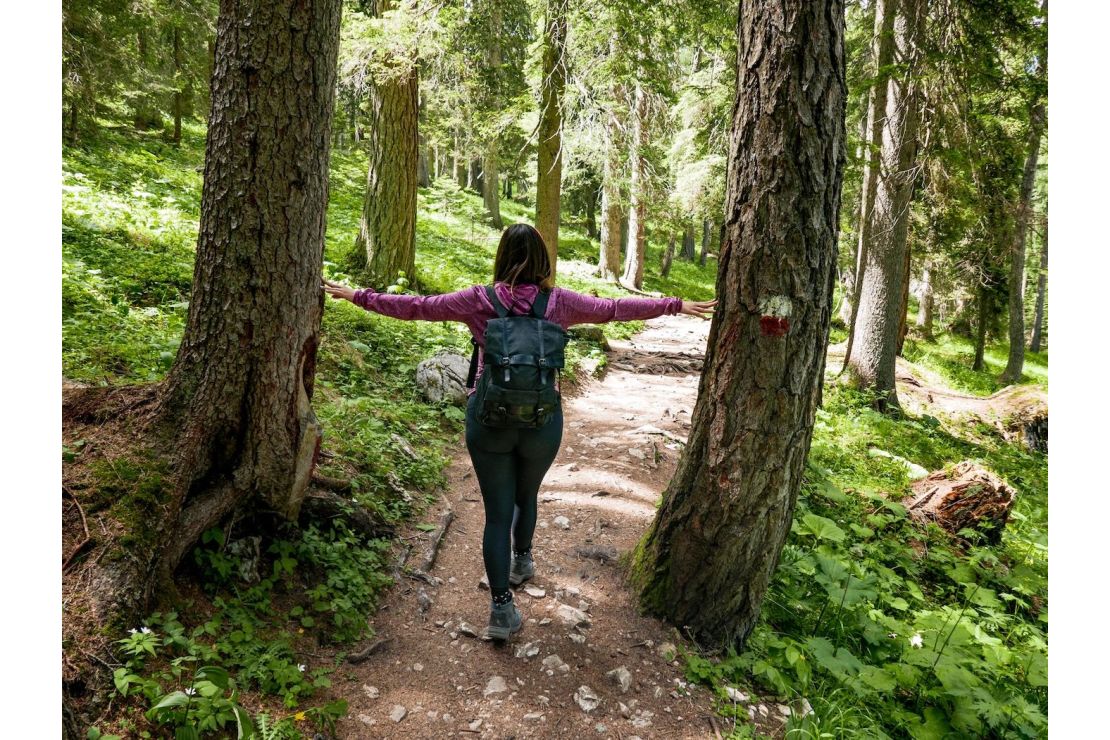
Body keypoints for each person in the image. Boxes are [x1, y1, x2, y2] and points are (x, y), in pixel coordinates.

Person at [323, 223, 715, 640]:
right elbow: (615, 309)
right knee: (527, 494)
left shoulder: (478, 300)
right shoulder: (559, 302)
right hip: (542, 422)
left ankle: (501, 610)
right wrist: (675, 305)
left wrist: (358, 296)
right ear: (544, 261)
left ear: (500, 257)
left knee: (496, 514)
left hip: (487, 418)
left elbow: (418, 306)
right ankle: (522, 560)